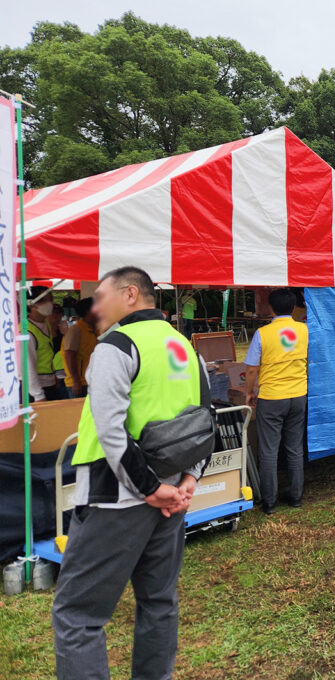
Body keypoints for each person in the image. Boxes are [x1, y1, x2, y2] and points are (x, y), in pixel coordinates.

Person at [52, 266, 206, 680]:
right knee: (158, 603)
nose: (95, 307)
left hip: (115, 498)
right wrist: (188, 479)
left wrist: (151, 488)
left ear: (131, 294)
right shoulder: (185, 347)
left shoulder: (115, 346)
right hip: (172, 496)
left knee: (77, 616)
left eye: (101, 297)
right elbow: (203, 418)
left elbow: (109, 430)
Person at [245, 288, 308, 514]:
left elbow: (252, 369)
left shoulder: (263, 333)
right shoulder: (305, 330)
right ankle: (295, 496)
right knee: (294, 447)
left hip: (271, 397)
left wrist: (249, 392)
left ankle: (269, 501)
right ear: (293, 308)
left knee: (269, 450)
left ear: (271, 307)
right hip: (298, 395)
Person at [26, 286, 64, 401]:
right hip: (34, 391)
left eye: (50, 299)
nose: (49, 303)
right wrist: (39, 396)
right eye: (43, 300)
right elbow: (27, 368)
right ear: (31, 304)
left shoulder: (45, 323)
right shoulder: (26, 332)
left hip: (50, 384)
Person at [62, 297, 99, 398]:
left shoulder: (94, 330)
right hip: (80, 384)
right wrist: (76, 381)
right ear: (89, 311)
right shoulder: (76, 330)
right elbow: (69, 356)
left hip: (91, 381)